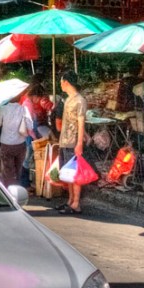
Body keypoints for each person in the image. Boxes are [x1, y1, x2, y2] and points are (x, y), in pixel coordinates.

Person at [57, 71, 87, 214]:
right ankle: (70, 200)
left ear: (66, 82)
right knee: (68, 173)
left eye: (61, 82)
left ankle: (76, 203)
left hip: (73, 141)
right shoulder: (68, 99)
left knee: (75, 174)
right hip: (64, 140)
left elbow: (81, 123)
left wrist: (79, 143)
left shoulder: (80, 101)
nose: (60, 85)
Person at [0, 93, 33, 186]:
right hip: (20, 145)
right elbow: (30, 126)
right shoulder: (23, 109)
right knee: (19, 170)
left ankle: (8, 190)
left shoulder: (2, 109)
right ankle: (18, 189)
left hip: (6, 144)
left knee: (7, 172)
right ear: (20, 97)